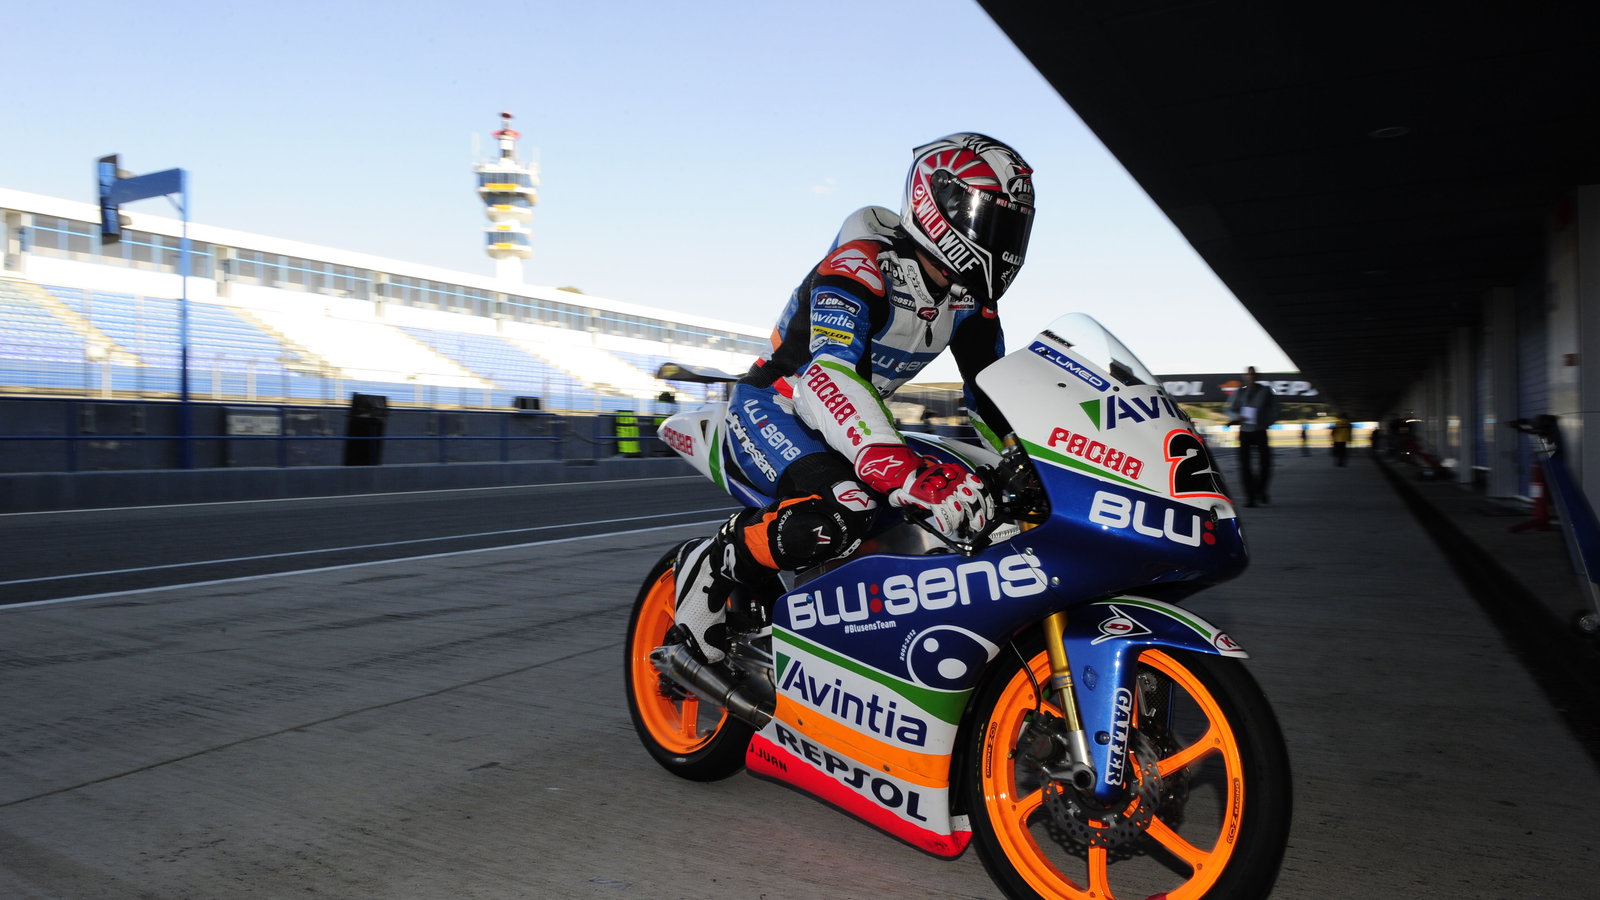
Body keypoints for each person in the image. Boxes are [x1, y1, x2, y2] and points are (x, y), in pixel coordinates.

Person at [670, 133, 1034, 664]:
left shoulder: (969, 301)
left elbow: (989, 389)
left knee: (982, 504)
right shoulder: (862, 264)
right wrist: (903, 471)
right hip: (777, 406)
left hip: (858, 421)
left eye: (1013, 227)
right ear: (941, 204)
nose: (1003, 241)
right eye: (994, 222)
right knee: (845, 508)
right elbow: (828, 375)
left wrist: (1028, 456)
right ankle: (712, 562)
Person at [1225, 366, 1278, 507]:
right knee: (1244, 465)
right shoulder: (1239, 392)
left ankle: (1261, 490)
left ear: (1257, 376)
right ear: (1245, 376)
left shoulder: (1266, 391)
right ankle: (1250, 497)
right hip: (1245, 431)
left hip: (1260, 430)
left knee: (1265, 463)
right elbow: (1229, 409)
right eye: (1248, 374)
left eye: (1253, 374)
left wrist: (1267, 423)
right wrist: (1237, 417)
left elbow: (1275, 409)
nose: (1251, 377)